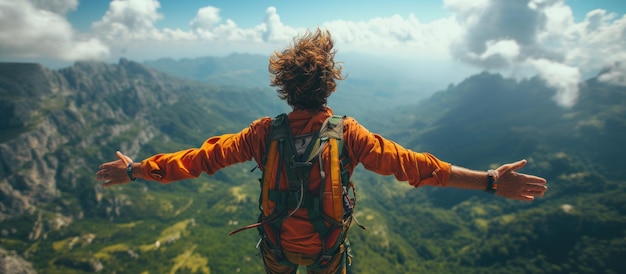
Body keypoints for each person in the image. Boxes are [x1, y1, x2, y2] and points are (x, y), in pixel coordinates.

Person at [96, 28, 548, 274]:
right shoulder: (349, 135)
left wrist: (135, 170)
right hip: (327, 254)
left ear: (284, 88)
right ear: (330, 85)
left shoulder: (260, 134)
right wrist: (490, 181)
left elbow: (197, 159)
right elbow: (419, 168)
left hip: (276, 249)